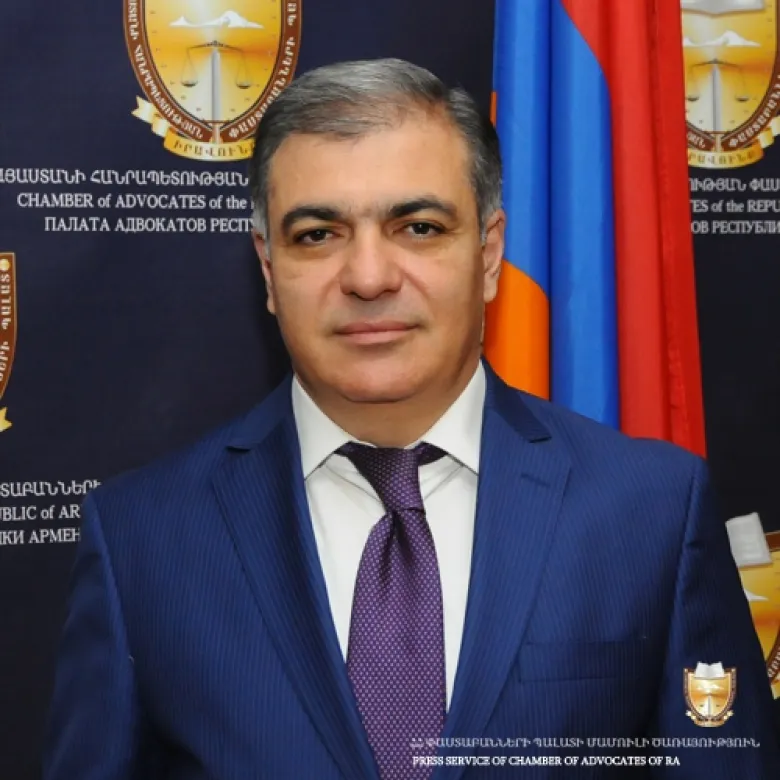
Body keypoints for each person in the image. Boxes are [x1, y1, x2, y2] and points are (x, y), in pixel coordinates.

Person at [43, 58, 779, 779]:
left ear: (488, 255)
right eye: (318, 234)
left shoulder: (651, 512)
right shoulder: (142, 538)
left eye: (419, 228)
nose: (368, 278)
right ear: (268, 270)